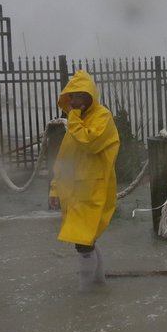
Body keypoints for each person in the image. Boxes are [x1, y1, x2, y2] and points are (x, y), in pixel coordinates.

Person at [48, 69, 120, 289]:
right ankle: (98, 283)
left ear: (90, 96)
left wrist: (74, 119)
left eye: (80, 95)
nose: (75, 101)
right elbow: (64, 158)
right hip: (73, 191)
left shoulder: (102, 116)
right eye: (72, 96)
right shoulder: (76, 121)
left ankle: (85, 291)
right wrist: (54, 189)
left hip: (93, 189)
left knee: (83, 242)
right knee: (86, 240)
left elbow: (90, 142)